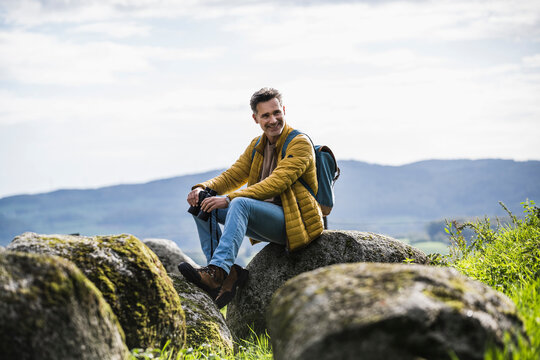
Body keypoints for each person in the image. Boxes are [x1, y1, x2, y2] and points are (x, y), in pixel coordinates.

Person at [178, 87, 324, 308]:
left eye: (276, 113)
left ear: (284, 110)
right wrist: (202, 188)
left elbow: (277, 182)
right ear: (255, 118)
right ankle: (224, 275)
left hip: (295, 221)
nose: (273, 120)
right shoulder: (258, 145)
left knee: (239, 203)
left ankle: (217, 272)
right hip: (264, 217)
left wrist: (228, 199)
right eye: (266, 115)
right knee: (203, 204)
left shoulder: (299, 143)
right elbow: (233, 175)